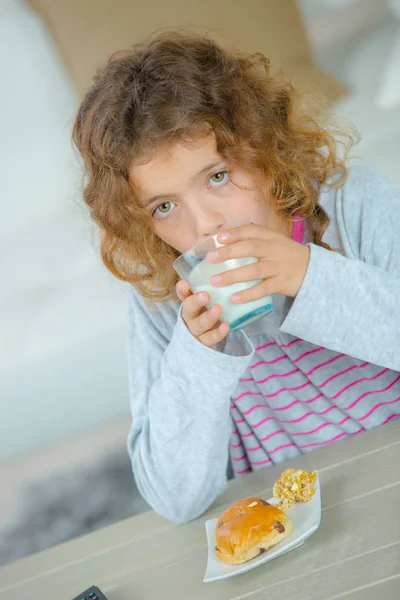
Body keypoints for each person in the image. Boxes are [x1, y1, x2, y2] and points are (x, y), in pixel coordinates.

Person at [72, 32, 400, 524]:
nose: (205, 225)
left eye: (217, 177)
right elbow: (174, 497)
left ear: (264, 147)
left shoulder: (351, 204)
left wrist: (310, 276)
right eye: (164, 207)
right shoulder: (164, 296)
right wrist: (196, 356)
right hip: (292, 523)